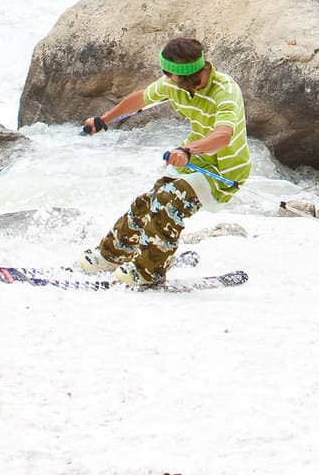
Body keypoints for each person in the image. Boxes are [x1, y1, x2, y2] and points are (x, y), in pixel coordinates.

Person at [76, 35, 252, 289]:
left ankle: (149, 271)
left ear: (186, 76)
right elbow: (141, 98)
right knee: (146, 202)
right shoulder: (175, 83)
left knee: (169, 201)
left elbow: (223, 136)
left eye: (169, 74)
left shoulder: (225, 91)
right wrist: (103, 120)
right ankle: (112, 255)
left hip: (224, 170)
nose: (166, 79)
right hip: (193, 160)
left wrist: (188, 150)